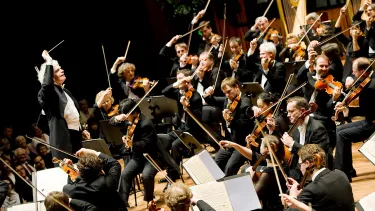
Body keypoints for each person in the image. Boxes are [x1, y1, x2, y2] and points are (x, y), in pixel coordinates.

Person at [37, 50, 90, 161]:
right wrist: (49, 61)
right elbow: (46, 86)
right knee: (70, 173)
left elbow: (72, 114)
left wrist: (80, 130)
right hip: (64, 140)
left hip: (75, 137)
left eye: (60, 68)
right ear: (51, 77)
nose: (62, 70)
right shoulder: (47, 93)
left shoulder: (65, 91)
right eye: (57, 70)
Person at [109, 98, 161, 207]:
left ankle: (149, 201)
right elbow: (111, 122)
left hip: (151, 157)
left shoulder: (146, 123)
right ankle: (122, 204)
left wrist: (132, 144)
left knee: (146, 175)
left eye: (126, 114)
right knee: (125, 174)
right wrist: (118, 118)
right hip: (138, 157)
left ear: (134, 112)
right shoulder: (129, 120)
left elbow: (147, 144)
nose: (125, 118)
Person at [220, 135, 288, 211]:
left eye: (261, 144)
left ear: (266, 150)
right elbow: (253, 155)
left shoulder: (269, 174)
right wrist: (233, 145)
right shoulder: (281, 162)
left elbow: (251, 199)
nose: (259, 146)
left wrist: (250, 179)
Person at [334, 57, 375, 182]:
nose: (352, 74)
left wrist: (348, 111)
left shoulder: (370, 88)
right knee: (339, 128)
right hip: (370, 120)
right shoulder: (368, 82)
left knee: (342, 134)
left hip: (372, 123)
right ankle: (348, 170)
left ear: (363, 71)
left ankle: (342, 174)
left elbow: (366, 112)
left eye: (354, 71)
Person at [280, 144, 354, 211]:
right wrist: (302, 193)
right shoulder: (340, 174)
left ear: (307, 163)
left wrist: (293, 196)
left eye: (300, 164)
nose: (300, 168)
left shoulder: (312, 189)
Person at [205, 77, 253, 176]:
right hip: (230, 142)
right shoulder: (227, 100)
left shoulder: (245, 102)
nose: (227, 95)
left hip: (241, 144)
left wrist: (229, 120)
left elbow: (244, 125)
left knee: (229, 169)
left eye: (229, 91)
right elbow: (211, 100)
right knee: (216, 163)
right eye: (225, 93)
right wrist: (207, 94)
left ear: (236, 87)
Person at [281, 96, 329, 181]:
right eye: (287, 112)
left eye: (291, 111)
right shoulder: (294, 127)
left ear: (302, 111)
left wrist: (292, 144)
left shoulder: (317, 128)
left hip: (313, 172)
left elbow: (315, 156)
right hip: (297, 170)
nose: (288, 115)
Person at [62, 148, 126, 211]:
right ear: (100, 169)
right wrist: (93, 152)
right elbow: (113, 163)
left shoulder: (70, 190)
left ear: (81, 172)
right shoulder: (108, 181)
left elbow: (71, 185)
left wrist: (70, 169)